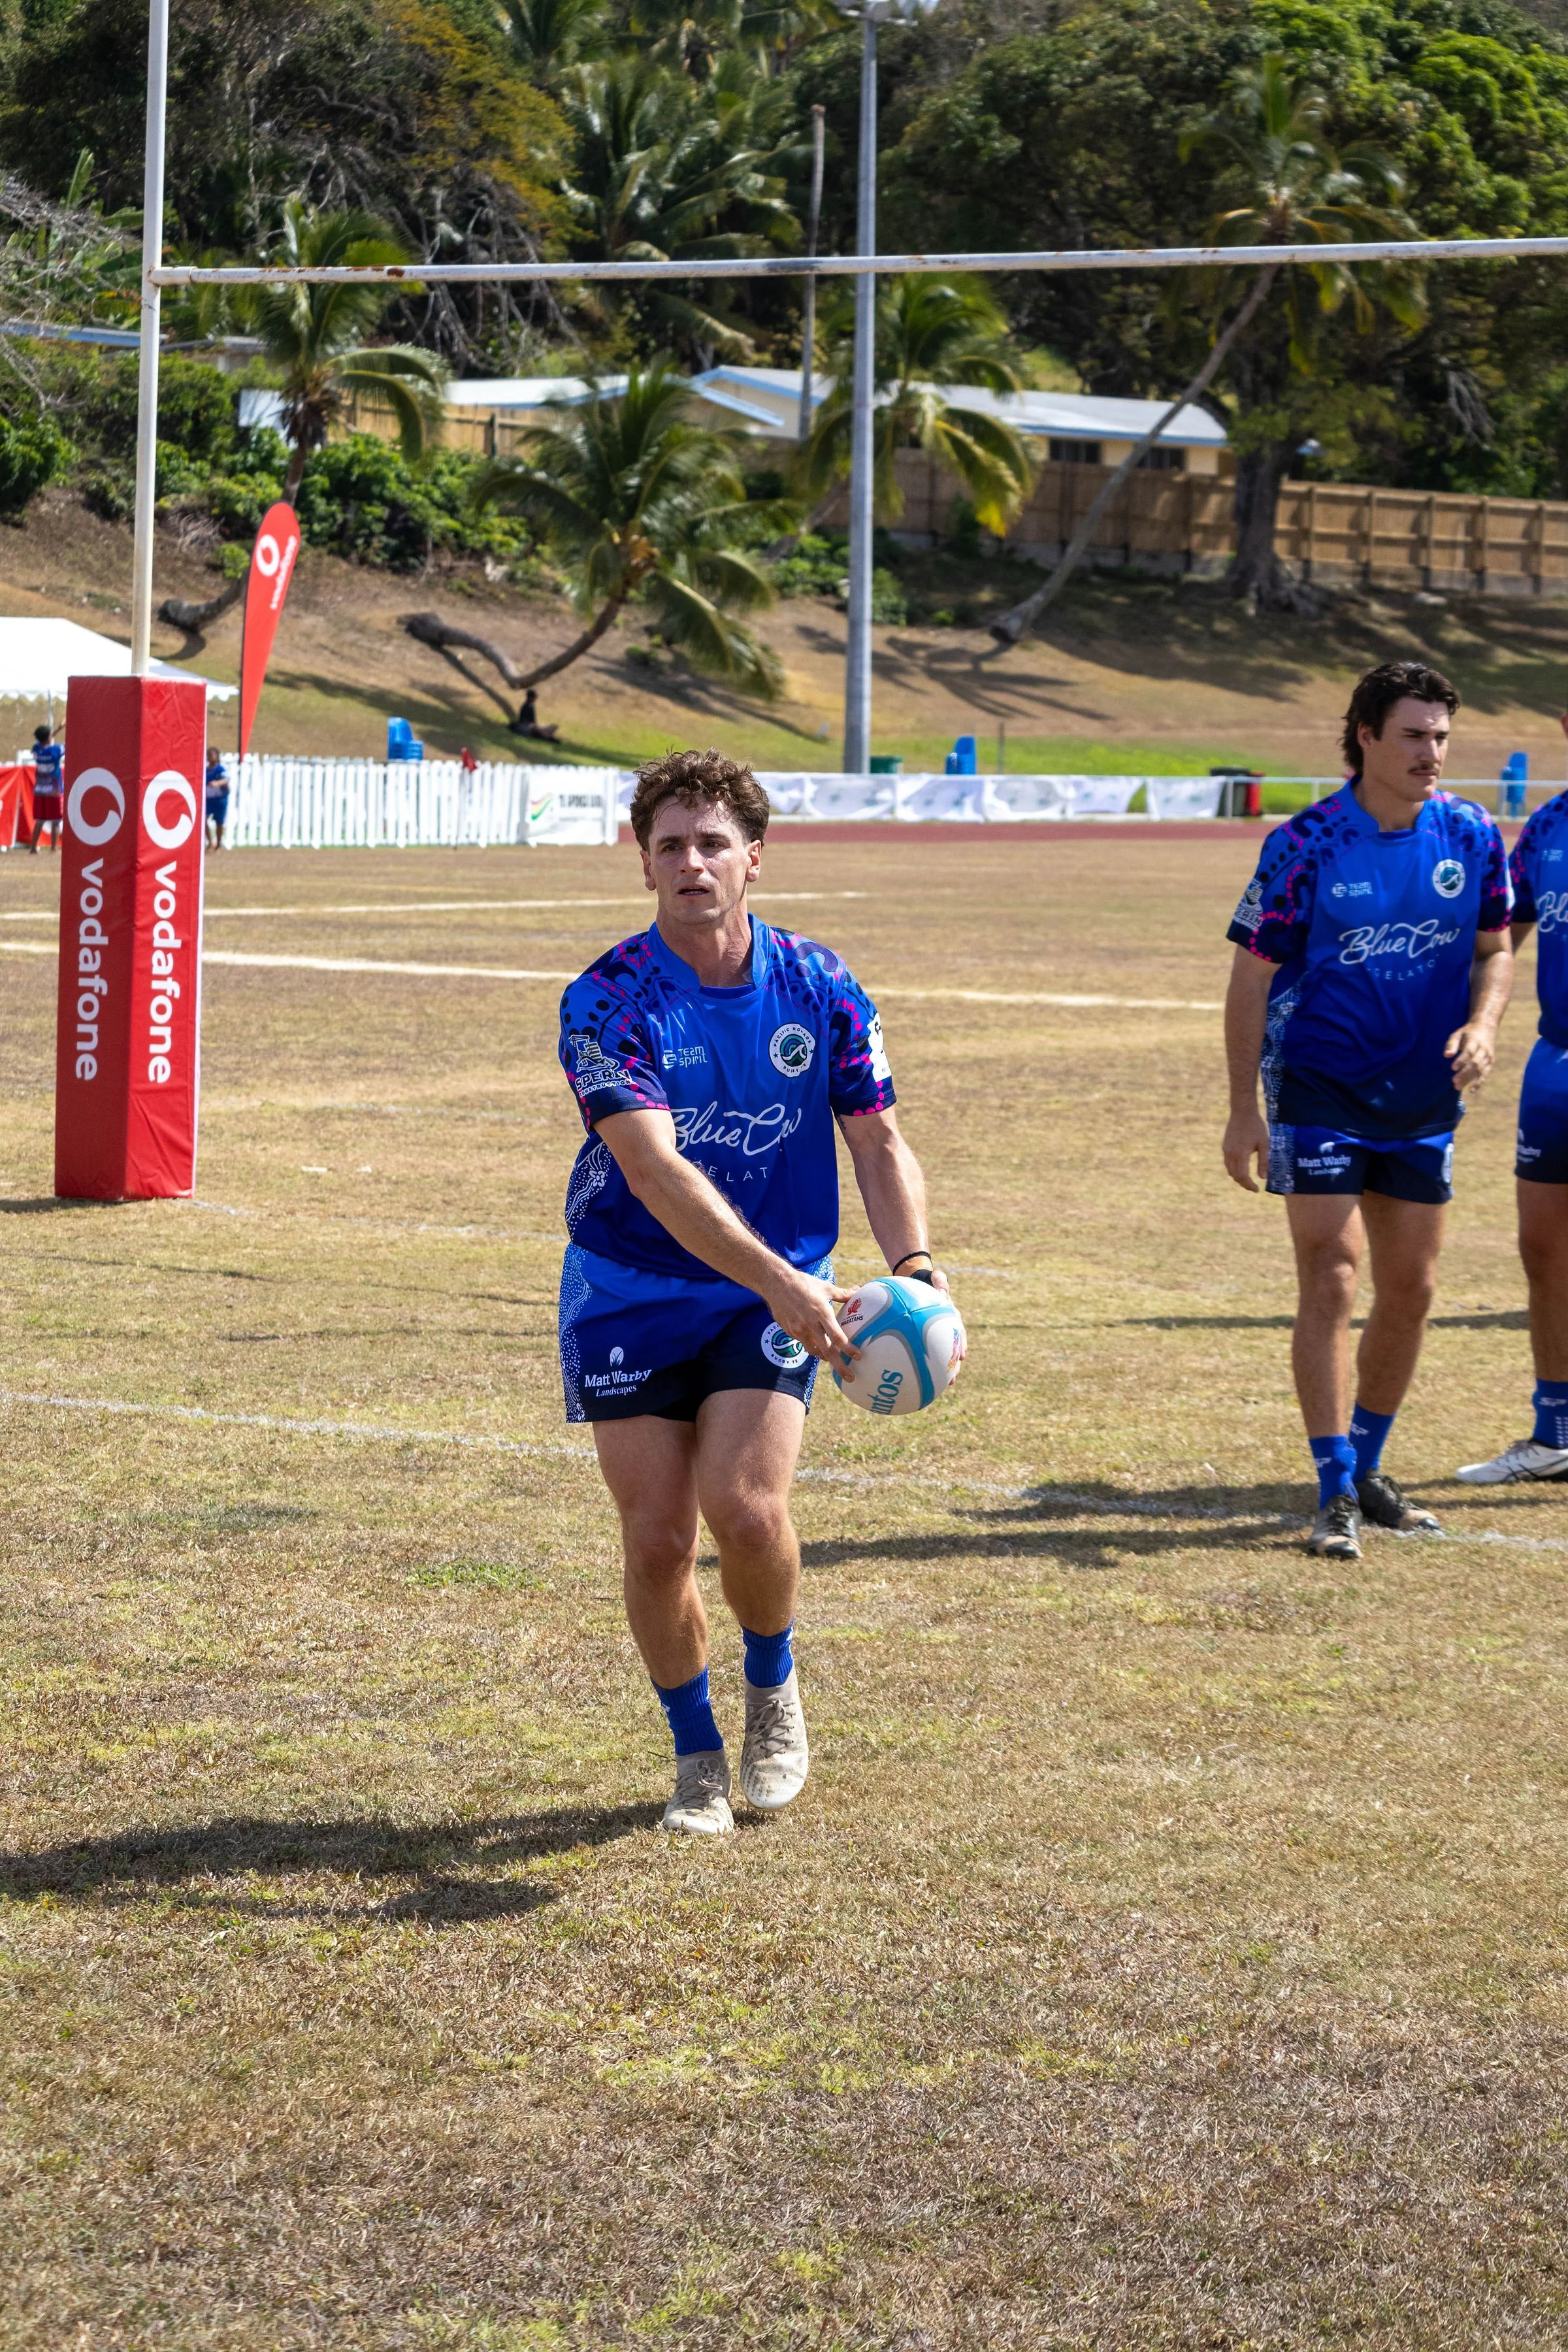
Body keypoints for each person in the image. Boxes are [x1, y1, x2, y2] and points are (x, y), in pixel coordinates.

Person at [556, 745, 960, 1835]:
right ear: (643, 864)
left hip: (764, 1300)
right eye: (670, 845)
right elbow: (655, 1169)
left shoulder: (820, 984)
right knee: (655, 1541)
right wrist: (787, 1280)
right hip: (631, 1289)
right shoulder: (607, 999)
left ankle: (772, 1690)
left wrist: (915, 1267)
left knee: (744, 1507)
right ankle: (696, 1759)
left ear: (756, 861)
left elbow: (876, 1138)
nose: (692, 862)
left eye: (713, 844)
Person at [1222, 660, 1513, 1560]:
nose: (1433, 753)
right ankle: (1332, 1483)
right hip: (1320, 1090)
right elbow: (1249, 977)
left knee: (1414, 1289)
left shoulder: (1470, 833)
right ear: (1366, 738)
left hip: (1424, 1098)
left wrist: (1483, 1023)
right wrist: (1244, 1110)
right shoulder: (1306, 844)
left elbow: (1495, 950)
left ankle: (1371, 1469)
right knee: (1334, 1274)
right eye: (1416, 736)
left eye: (1442, 737)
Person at [1455, 716, 1568, 1481]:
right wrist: (1469, 1020)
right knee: (1544, 1249)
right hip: (1556, 1063)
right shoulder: (1549, 826)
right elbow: (1504, 937)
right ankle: (1554, 1432)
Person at [27, 723, 63, 853]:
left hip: (40, 791)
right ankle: (54, 848)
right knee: (55, 821)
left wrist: (56, 730)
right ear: (49, 738)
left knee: (40, 820)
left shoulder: (36, 749)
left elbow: (43, 742)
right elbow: (67, 745)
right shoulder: (55, 751)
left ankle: (33, 848)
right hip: (54, 791)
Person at [204, 747, 230, 850]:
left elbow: (226, 780)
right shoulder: (206, 770)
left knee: (219, 823)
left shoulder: (220, 769)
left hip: (220, 799)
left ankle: (218, 844)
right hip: (209, 800)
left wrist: (216, 783)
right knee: (203, 821)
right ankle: (210, 842)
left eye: (212, 754)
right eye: (208, 755)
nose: (210, 757)